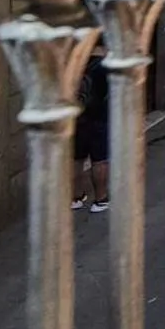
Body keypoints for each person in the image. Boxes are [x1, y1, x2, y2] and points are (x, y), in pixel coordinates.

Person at [73, 41, 110, 213]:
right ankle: (100, 199)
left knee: (77, 159)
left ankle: (76, 197)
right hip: (99, 117)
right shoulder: (105, 66)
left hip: (78, 117)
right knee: (99, 160)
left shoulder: (76, 63)